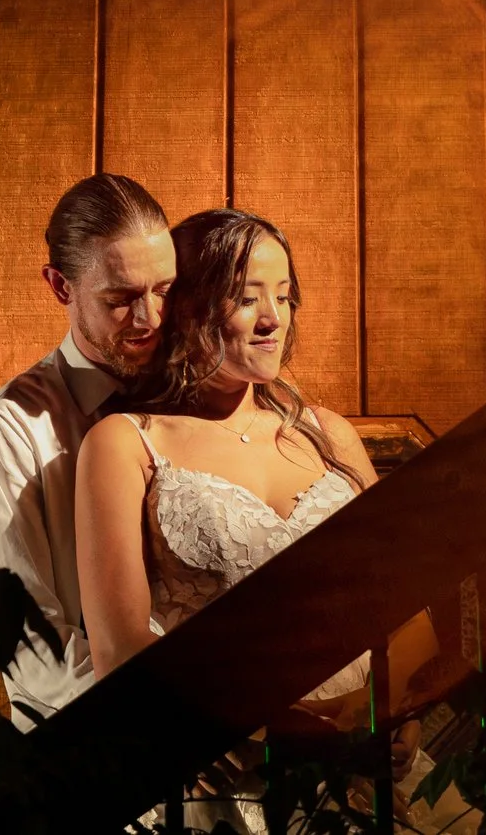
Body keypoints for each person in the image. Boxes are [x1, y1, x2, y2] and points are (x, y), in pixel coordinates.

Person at [76, 207, 415, 834]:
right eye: (246, 298)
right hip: (225, 769)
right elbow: (120, 649)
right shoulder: (126, 442)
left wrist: (392, 712)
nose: (271, 319)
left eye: (283, 297)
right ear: (191, 306)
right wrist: (276, 727)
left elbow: (405, 604)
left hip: (366, 756)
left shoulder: (329, 436)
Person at [0, 171, 177, 729]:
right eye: (121, 299)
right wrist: (180, 712)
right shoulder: (14, 423)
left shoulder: (196, 396)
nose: (151, 319)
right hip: (100, 742)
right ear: (61, 287)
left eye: (164, 290)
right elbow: (30, 646)